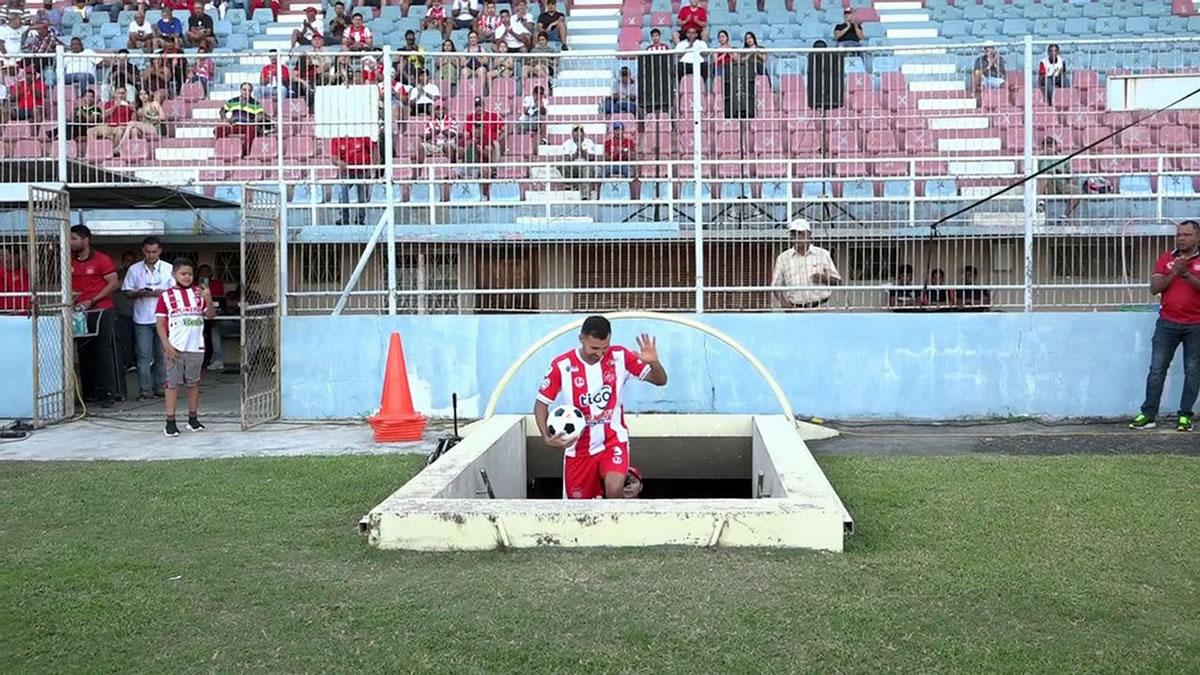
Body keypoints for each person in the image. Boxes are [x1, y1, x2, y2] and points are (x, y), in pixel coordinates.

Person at [534, 315, 668, 500]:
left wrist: (653, 362)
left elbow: (660, 381)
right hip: (578, 449)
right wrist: (546, 437)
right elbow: (541, 403)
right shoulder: (562, 365)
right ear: (581, 339)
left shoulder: (620, 356)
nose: (600, 353)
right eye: (594, 348)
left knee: (614, 492)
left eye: (605, 347)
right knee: (579, 511)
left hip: (612, 440)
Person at [1130, 220, 1200, 432]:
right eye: (1179, 234)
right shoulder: (1166, 258)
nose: (1181, 238)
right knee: (1157, 370)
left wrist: (1187, 274)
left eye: (1187, 235)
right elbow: (1155, 288)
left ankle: (1185, 416)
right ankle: (1149, 414)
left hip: (1196, 325)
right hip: (1167, 323)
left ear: (1197, 238)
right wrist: (1175, 273)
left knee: (1193, 371)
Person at [155, 257, 215, 437]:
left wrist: (209, 298)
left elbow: (210, 316)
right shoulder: (166, 296)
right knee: (172, 384)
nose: (187, 277)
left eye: (190, 274)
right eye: (183, 274)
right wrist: (166, 344)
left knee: (194, 383)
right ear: (174, 274)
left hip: (196, 346)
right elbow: (159, 322)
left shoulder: (199, 293)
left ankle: (193, 418)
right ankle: (170, 421)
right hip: (176, 346)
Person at [70, 224, 119, 408]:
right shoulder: (69, 260)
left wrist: (92, 300)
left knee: (102, 352)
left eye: (74, 238)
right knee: (84, 352)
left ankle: (107, 393)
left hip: (101, 310)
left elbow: (113, 283)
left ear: (86, 239)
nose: (71, 242)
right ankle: (89, 394)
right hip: (79, 312)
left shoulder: (102, 259)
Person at [121, 235, 173, 401]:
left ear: (160, 251)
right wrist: (140, 293)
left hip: (163, 317)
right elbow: (127, 292)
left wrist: (161, 293)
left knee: (162, 354)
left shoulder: (169, 269)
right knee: (143, 355)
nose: (151, 255)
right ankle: (145, 390)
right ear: (143, 251)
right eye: (148, 252)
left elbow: (175, 292)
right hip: (142, 318)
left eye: (154, 251)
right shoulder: (134, 269)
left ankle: (160, 387)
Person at [770, 217, 842, 309]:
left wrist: (824, 278)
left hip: (820, 307)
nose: (797, 237)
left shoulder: (823, 254)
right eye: (793, 234)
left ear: (809, 234)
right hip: (795, 309)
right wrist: (785, 305)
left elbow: (838, 282)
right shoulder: (783, 258)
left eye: (800, 233)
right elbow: (776, 286)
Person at [215, 81, 266, 157]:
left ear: (251, 92)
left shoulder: (255, 103)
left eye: (248, 90)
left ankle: (243, 152)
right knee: (218, 130)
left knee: (252, 129)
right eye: (244, 90)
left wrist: (258, 118)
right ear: (241, 90)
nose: (246, 92)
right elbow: (222, 111)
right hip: (234, 125)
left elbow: (261, 114)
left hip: (247, 125)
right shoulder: (233, 101)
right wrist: (225, 119)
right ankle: (223, 151)